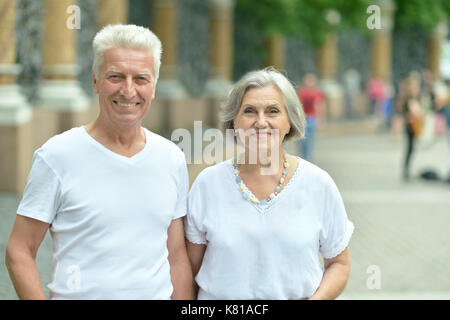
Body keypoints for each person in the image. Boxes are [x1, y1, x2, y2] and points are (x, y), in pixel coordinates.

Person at [5, 24, 194, 300]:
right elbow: (19, 251)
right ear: (95, 81)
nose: (128, 91)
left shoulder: (171, 158)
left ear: (153, 86)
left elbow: (176, 257)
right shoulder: (57, 156)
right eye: (115, 76)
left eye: (141, 79)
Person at [184, 68, 354, 300]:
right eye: (250, 111)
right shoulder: (207, 184)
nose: (261, 122)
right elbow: (189, 270)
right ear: (234, 121)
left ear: (289, 122)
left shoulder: (318, 183)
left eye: (273, 111)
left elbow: (339, 264)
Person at [395, 75, 423, 181]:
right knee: (409, 149)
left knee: (411, 149)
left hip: (413, 127)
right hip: (410, 128)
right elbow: (406, 114)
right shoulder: (408, 100)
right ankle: (406, 171)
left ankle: (407, 170)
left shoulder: (414, 99)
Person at [296, 73, 325, 162]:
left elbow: (319, 106)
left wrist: (321, 119)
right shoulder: (301, 92)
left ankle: (307, 157)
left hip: (312, 118)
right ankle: (302, 155)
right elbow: (297, 106)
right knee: (301, 138)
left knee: (309, 139)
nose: (309, 82)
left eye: (311, 80)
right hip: (303, 118)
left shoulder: (317, 92)